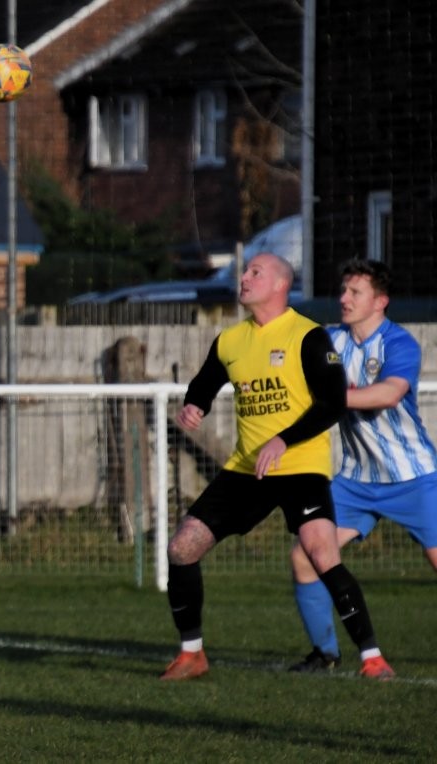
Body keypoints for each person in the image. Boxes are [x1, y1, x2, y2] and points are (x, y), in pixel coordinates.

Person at [162, 252, 394, 681]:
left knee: (321, 554)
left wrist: (283, 439)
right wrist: (195, 404)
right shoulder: (230, 341)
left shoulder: (308, 337)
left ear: (280, 285)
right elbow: (205, 382)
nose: (245, 277)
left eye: (256, 272)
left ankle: (373, 658)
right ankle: (192, 654)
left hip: (301, 465)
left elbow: (333, 404)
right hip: (248, 469)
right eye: (245, 271)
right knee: (181, 549)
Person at [289, 259, 436, 674]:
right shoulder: (330, 340)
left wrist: (330, 398)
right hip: (355, 482)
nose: (344, 299)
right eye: (343, 290)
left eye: (355, 292)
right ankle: (325, 655)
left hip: (414, 478)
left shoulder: (398, 343)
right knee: (305, 556)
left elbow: (388, 394)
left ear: (380, 301)